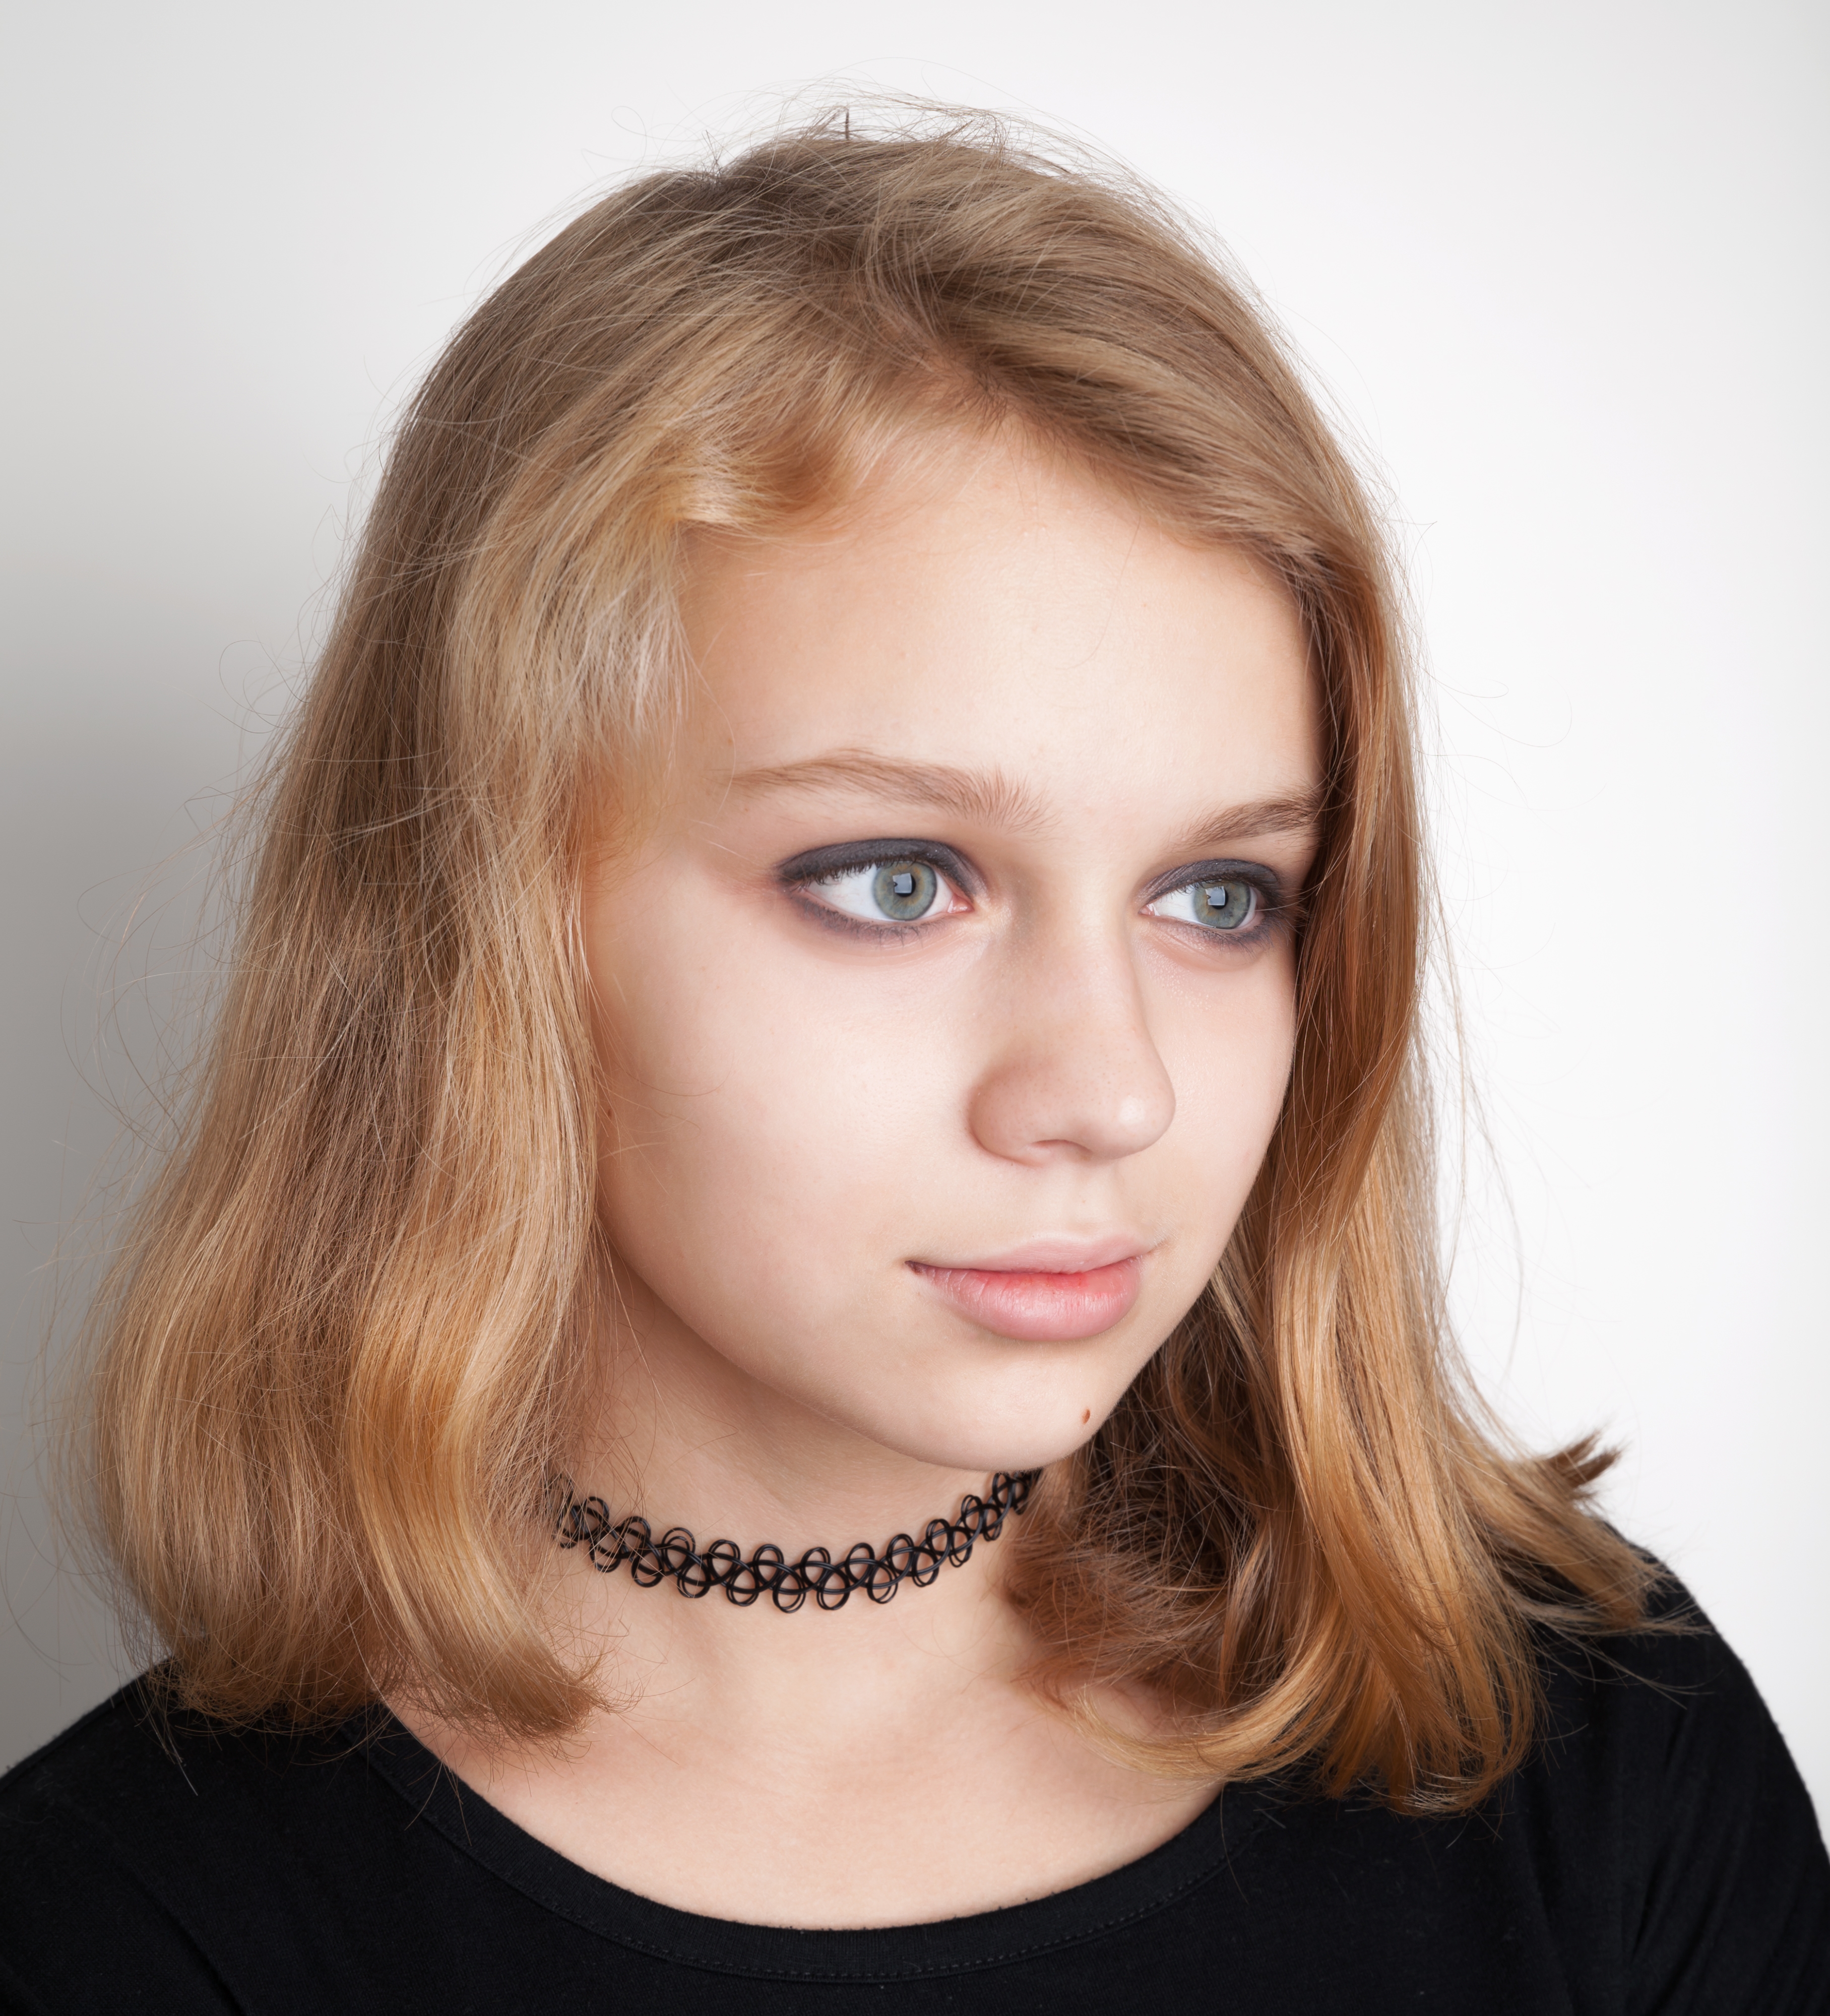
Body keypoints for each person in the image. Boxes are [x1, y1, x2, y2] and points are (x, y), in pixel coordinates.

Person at [2, 105, 1824, 2015]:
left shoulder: (1590, 1756)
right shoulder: (120, 1933)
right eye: (896, 879)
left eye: (1218, 896)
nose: (1111, 1093)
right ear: (488, 924)